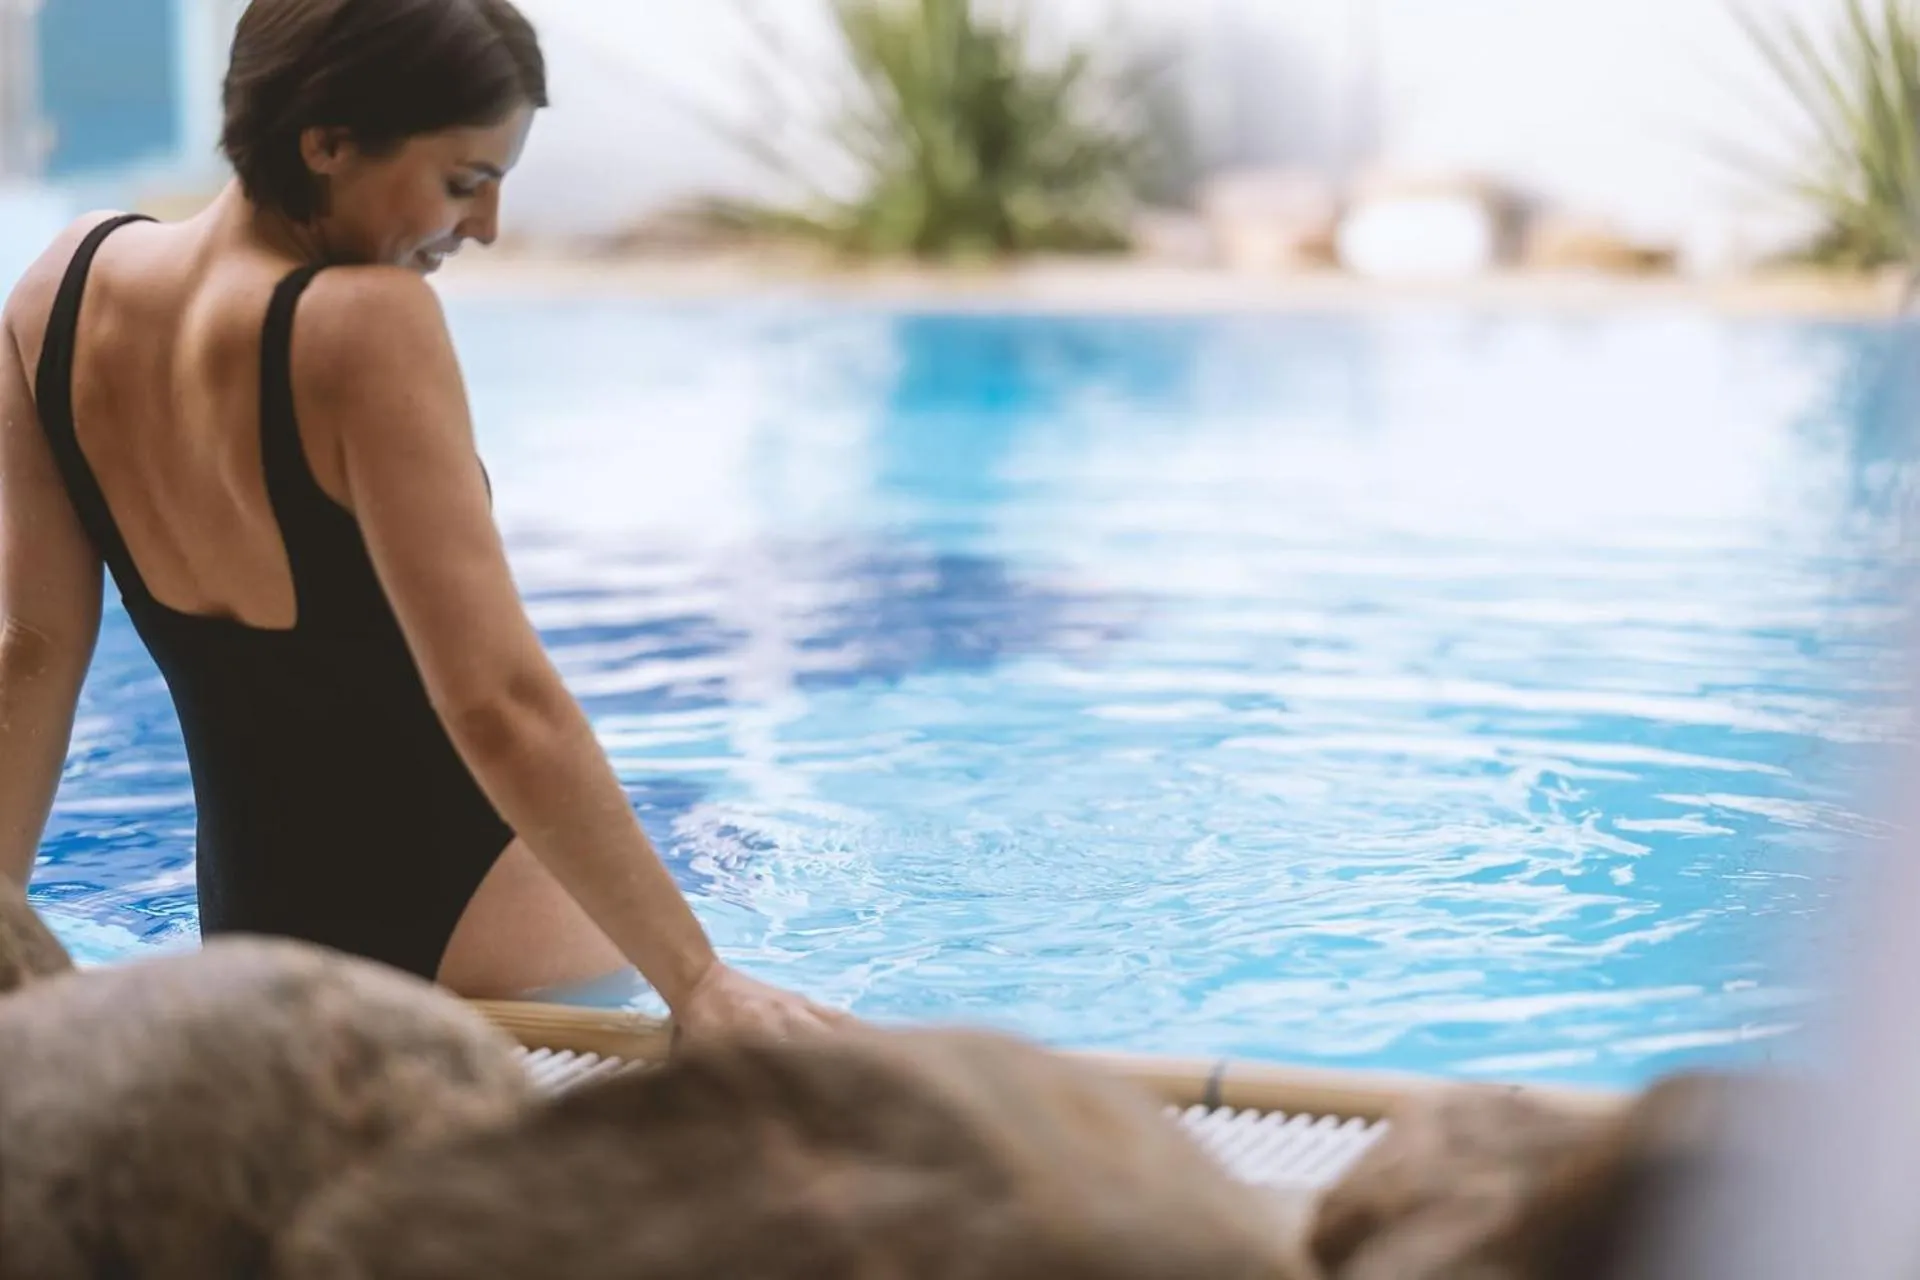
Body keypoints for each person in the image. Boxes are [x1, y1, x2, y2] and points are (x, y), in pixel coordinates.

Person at [0, 0, 843, 1046]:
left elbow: (31, 649)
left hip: (260, 948)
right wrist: (700, 978)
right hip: (497, 951)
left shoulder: (58, 289)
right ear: (326, 143)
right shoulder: (364, 325)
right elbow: (496, 701)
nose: (486, 226)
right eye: (464, 181)